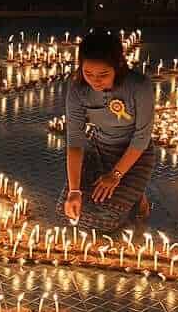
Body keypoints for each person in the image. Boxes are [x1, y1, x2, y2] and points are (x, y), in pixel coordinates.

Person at [59, 29, 155, 230]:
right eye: (88, 73)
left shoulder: (139, 86)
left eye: (103, 74)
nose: (95, 80)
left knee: (106, 220)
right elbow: (75, 140)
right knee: (66, 209)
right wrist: (74, 190)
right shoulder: (78, 89)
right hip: (98, 150)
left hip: (135, 155)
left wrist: (116, 175)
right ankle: (128, 195)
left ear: (118, 66)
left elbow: (141, 137)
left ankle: (135, 196)